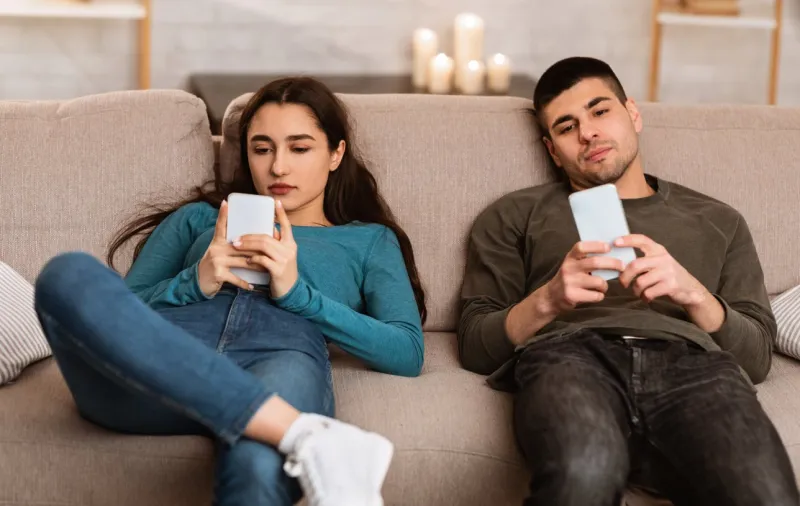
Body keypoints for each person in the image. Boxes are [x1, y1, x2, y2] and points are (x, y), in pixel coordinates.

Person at [33, 76, 427, 506]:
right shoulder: (197, 220)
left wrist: (298, 294)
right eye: (262, 149)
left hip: (278, 356)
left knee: (258, 464)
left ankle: (276, 426)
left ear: (336, 154)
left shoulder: (368, 240)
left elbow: (406, 351)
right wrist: (194, 281)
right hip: (165, 365)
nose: (278, 168)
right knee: (66, 273)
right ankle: (301, 433)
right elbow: (117, 316)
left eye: (299, 148)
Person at [458, 56, 799, 506]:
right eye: (567, 127)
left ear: (632, 113)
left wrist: (694, 295)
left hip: (695, 366)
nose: (588, 133)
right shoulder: (513, 215)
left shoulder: (719, 220)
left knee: (767, 495)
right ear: (552, 150)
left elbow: (755, 359)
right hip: (569, 356)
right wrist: (548, 300)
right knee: (584, 473)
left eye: (600, 111)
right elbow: (475, 347)